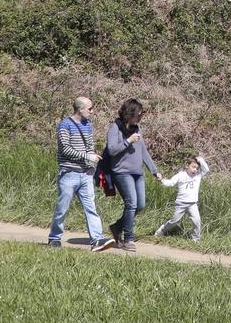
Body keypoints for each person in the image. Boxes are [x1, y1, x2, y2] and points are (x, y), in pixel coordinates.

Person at [48, 96, 112, 251]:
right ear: (80, 109)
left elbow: (89, 146)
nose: (92, 111)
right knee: (62, 209)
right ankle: (54, 238)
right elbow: (66, 149)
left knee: (91, 208)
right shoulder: (65, 125)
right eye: (90, 108)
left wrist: (92, 160)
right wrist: (86, 156)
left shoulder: (88, 124)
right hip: (69, 174)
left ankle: (97, 240)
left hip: (86, 174)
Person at [104, 98, 162, 252]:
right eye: (138, 114)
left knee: (140, 205)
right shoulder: (115, 128)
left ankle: (117, 227)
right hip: (121, 172)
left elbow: (143, 151)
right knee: (131, 204)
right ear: (129, 113)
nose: (140, 117)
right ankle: (128, 238)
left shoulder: (137, 129)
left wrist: (154, 170)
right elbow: (112, 150)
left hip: (137, 173)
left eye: (141, 115)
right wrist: (128, 141)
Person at [154, 154, 209, 242]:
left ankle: (195, 239)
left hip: (192, 204)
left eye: (197, 168)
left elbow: (206, 170)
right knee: (174, 221)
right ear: (187, 165)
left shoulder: (198, 175)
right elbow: (170, 183)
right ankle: (161, 231)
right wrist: (162, 181)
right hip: (181, 204)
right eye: (193, 167)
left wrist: (201, 160)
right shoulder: (180, 175)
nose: (195, 170)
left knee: (197, 221)